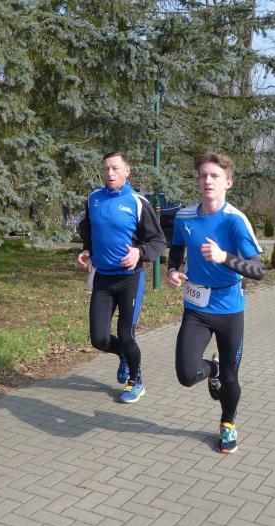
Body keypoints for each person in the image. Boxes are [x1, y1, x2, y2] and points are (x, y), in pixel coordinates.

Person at [166, 152, 264, 454]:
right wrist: (172, 270)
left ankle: (228, 424)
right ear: (198, 181)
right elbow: (176, 248)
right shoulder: (185, 217)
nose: (208, 180)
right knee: (186, 374)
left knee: (232, 378)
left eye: (215, 176)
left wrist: (225, 258)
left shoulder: (235, 220)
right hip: (196, 307)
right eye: (203, 175)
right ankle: (213, 369)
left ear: (228, 183)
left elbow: (258, 269)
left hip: (229, 310)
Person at [77, 152, 167, 403]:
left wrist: (140, 252)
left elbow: (159, 240)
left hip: (130, 279)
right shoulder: (93, 199)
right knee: (99, 339)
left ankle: (136, 381)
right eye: (106, 168)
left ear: (127, 171)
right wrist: (87, 250)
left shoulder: (137, 202)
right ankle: (124, 356)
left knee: (126, 335)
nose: (110, 173)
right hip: (103, 279)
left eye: (115, 168)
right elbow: (89, 229)